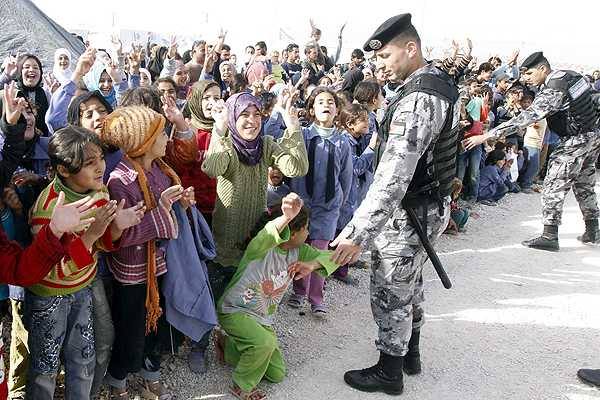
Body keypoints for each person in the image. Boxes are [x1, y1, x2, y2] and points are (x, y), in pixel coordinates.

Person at [330, 14, 460, 395]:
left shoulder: (418, 99)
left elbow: (392, 177)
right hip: (429, 204)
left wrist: (357, 234)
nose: (379, 65)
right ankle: (411, 354)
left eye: (386, 56)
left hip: (410, 210)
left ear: (410, 48)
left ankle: (390, 371)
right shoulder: (435, 83)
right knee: (412, 280)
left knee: (391, 286)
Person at [25, 126, 143, 400]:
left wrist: (115, 229)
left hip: (82, 288)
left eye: (100, 158)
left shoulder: (98, 191)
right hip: (49, 298)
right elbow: (50, 269)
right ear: (64, 170)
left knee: (83, 359)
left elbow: (99, 245)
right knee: (45, 369)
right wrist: (90, 236)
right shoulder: (49, 209)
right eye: (90, 163)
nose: (100, 167)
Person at [464, 51, 600, 251]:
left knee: (553, 184)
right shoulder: (572, 76)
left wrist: (486, 135)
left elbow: (527, 117)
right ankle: (593, 229)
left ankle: (550, 235)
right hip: (591, 136)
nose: (526, 78)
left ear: (543, 69)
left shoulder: (554, 87)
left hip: (574, 140)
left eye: (529, 74)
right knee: (584, 184)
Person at [100, 106, 192, 399]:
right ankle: (119, 380)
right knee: (130, 328)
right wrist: (163, 212)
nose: (167, 138)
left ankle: (151, 370)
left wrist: (181, 202)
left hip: (159, 265)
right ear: (143, 141)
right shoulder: (120, 181)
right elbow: (121, 235)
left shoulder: (161, 171)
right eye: (161, 133)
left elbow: (165, 210)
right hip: (133, 274)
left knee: (156, 321)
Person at [215, 193, 339, 400]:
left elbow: (332, 258)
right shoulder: (261, 248)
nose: (309, 232)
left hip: (261, 319)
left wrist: (313, 265)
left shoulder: (300, 252)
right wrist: (287, 217)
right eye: (306, 227)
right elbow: (268, 233)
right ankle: (241, 386)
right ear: (292, 233)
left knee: (276, 373)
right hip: (235, 311)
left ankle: (227, 348)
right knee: (264, 343)